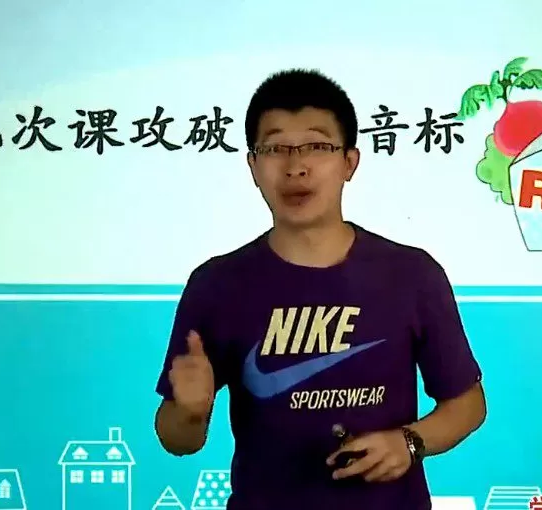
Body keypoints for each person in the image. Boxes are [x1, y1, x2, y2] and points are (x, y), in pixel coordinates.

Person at [154, 68, 487, 509]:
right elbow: (177, 439)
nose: (296, 166)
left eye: (316, 145)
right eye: (275, 148)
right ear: (253, 166)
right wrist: (189, 412)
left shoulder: (412, 274)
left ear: (350, 162)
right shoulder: (217, 284)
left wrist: (409, 442)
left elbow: (468, 404)